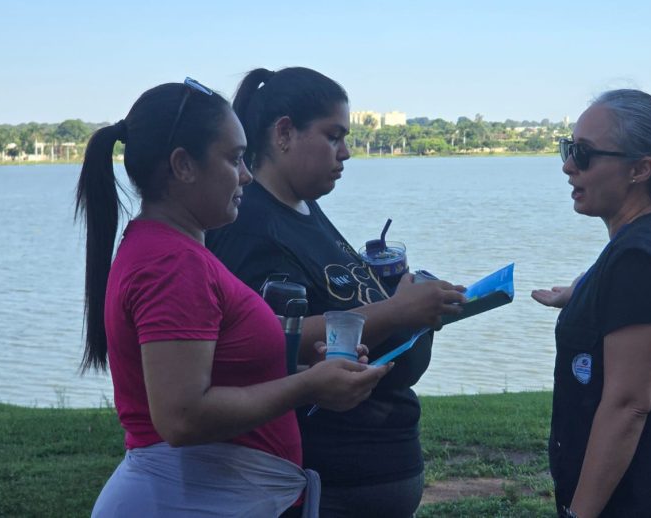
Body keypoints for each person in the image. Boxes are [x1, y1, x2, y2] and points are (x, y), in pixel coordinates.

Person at [76, 78, 390, 518]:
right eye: (234, 158)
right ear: (183, 165)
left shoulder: (172, 250)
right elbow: (183, 417)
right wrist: (307, 386)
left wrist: (316, 373)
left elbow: (220, 371)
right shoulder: (171, 264)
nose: (246, 175)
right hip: (184, 502)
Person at [206, 67, 466, 518]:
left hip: (379, 465)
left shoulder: (305, 206)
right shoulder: (250, 225)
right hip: (327, 476)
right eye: (333, 136)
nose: (345, 153)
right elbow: (263, 338)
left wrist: (397, 292)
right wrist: (398, 311)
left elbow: (332, 296)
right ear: (284, 133)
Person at [532, 89, 651, 517]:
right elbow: (632, 294)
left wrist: (579, 514)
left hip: (639, 501)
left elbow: (628, 406)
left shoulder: (638, 260)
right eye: (568, 148)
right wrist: (580, 293)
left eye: (584, 154)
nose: (568, 166)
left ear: (640, 169)